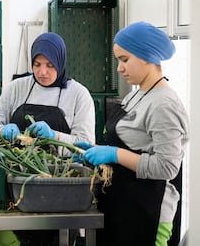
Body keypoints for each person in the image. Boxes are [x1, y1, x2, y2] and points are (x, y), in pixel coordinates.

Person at [75, 21, 189, 246]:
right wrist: (97, 150)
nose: (119, 68)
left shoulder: (163, 104)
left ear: (147, 56)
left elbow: (167, 166)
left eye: (124, 60)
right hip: (124, 208)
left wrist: (115, 154)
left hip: (147, 215)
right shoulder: (137, 95)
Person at [0, 32, 95, 246]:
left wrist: (55, 136)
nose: (42, 72)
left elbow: (85, 145)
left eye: (50, 65)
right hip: (15, 186)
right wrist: (1, 130)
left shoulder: (79, 95)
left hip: (57, 189)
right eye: (37, 64)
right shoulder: (17, 87)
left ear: (61, 62)